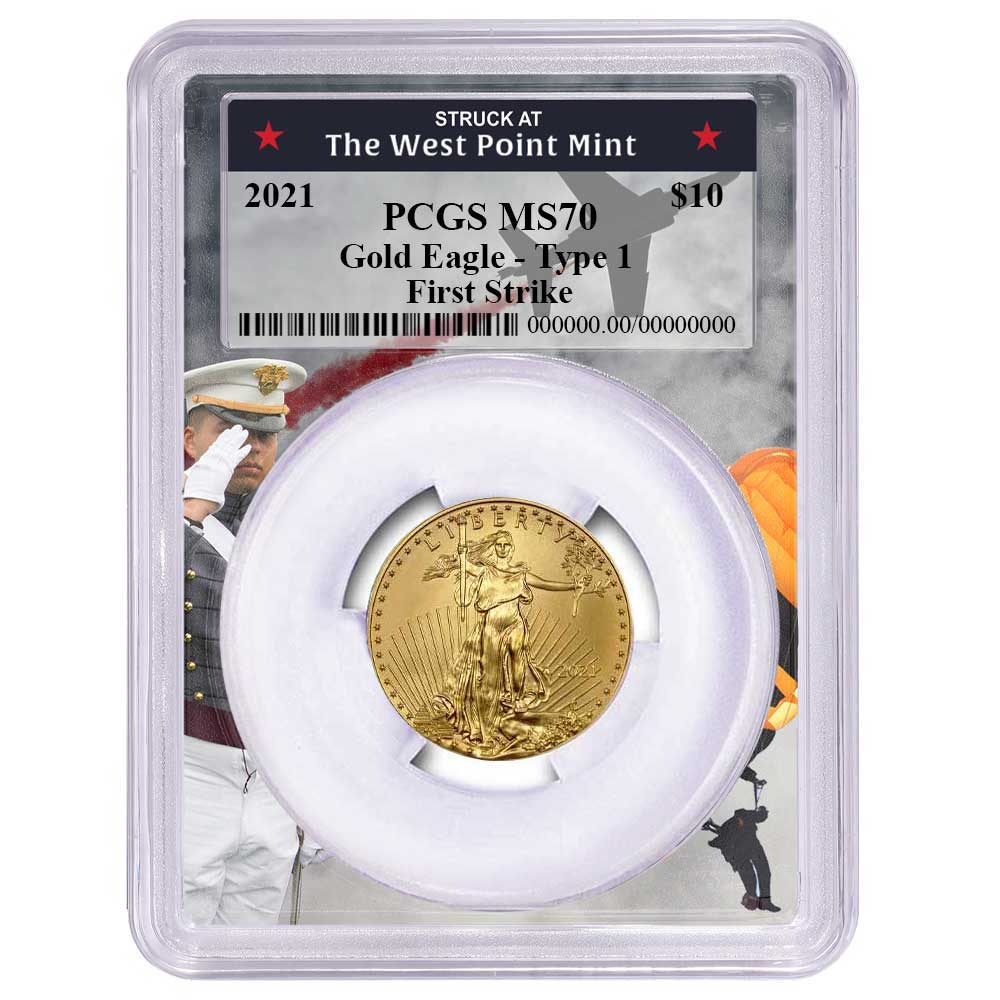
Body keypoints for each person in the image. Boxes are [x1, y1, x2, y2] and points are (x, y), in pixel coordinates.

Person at [181, 358, 308, 926]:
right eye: (231, 432)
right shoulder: (146, 519)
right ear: (190, 439)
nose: (252, 448)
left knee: (252, 949)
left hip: (274, 773)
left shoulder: (293, 532)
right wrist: (190, 511)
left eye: (264, 435)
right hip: (189, 768)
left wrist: (319, 790)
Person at [424, 530, 606, 749]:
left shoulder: (520, 575)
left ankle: (517, 700)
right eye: (499, 545)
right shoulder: (485, 571)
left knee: (518, 660)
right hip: (491, 627)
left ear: (512, 548)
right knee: (489, 676)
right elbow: (466, 566)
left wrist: (572, 586)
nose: (502, 548)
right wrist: (461, 556)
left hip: (515, 623)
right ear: (494, 548)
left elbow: (546, 583)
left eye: (506, 545)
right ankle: (486, 728)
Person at [702, 807, 781, 912]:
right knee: (755, 874)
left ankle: (763, 902)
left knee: (761, 873)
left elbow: (725, 833)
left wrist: (711, 827)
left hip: (746, 849)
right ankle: (761, 901)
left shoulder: (740, 820)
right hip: (741, 852)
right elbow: (726, 834)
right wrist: (762, 811)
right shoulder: (740, 819)